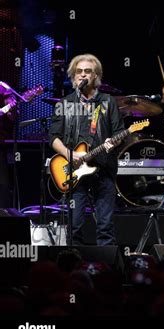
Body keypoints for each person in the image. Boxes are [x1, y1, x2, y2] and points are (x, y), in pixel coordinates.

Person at [49, 54, 124, 246]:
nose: (83, 75)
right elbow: (53, 137)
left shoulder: (108, 102)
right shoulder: (65, 104)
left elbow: (120, 133)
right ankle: (74, 269)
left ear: (96, 76)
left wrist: (112, 143)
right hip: (73, 171)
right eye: (79, 71)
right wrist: (70, 155)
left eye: (88, 71)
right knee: (74, 226)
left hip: (103, 170)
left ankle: (106, 271)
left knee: (105, 226)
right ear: (73, 76)